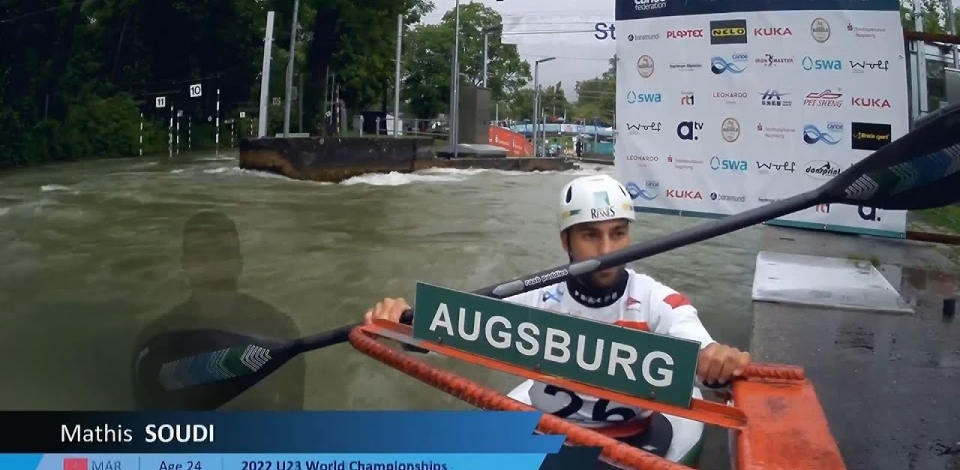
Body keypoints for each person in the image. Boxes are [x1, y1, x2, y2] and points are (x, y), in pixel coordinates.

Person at [363, 174, 751, 437]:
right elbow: (450, 330)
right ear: (566, 241)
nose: (607, 250)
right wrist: (403, 322)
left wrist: (717, 362)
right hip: (548, 435)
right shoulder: (531, 297)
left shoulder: (658, 300)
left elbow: (698, 349)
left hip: (635, 440)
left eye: (618, 234)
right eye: (590, 236)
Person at [131, 210, 305, 410]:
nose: (213, 267)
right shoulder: (156, 341)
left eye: (224, 254)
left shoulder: (279, 329)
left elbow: (293, 417)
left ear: (240, 263)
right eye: (200, 255)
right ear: (185, 264)